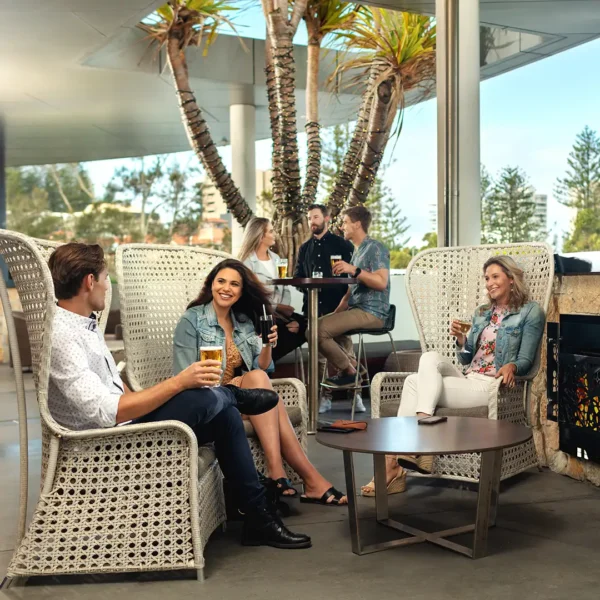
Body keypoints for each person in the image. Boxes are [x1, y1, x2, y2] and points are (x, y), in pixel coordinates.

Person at [47, 243, 311, 549]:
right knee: (207, 398)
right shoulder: (63, 336)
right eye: (106, 279)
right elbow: (106, 410)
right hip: (105, 440)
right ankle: (232, 396)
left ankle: (258, 518)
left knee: (223, 414)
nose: (108, 287)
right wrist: (177, 384)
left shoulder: (85, 326)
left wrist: (159, 396)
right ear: (89, 282)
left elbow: (117, 393)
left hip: (127, 423)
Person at [361, 255, 545, 497]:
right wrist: (461, 341)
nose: (489, 283)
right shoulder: (482, 312)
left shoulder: (530, 312)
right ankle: (417, 445)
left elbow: (526, 358)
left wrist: (512, 366)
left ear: (511, 279)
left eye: (495, 277)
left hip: (491, 385)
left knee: (413, 382)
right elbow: (467, 358)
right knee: (428, 360)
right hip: (469, 377)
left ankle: (393, 464)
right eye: (487, 278)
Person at [173, 258, 348, 506]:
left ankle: (285, 475)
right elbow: (182, 375)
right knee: (266, 395)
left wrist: (267, 345)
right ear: (211, 284)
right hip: (208, 399)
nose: (226, 288)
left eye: (234, 284)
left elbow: (264, 368)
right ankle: (302, 478)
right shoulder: (192, 320)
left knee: (259, 378)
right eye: (221, 281)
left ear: (241, 291)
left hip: (238, 396)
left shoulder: (242, 321)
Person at [317, 206, 391, 393]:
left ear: (357, 224)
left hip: (372, 312)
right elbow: (350, 293)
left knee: (315, 330)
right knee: (315, 327)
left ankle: (350, 371)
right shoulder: (358, 252)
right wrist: (334, 316)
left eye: (345, 222)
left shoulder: (375, 247)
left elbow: (381, 282)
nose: (342, 226)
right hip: (357, 309)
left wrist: (353, 270)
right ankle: (354, 367)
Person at [294, 204, 354, 413]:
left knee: (345, 347)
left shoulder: (343, 245)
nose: (312, 221)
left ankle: (354, 394)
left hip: (337, 307)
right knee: (317, 356)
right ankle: (322, 397)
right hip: (312, 307)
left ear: (327, 218)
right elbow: (297, 276)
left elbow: (353, 277)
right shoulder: (304, 248)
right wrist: (307, 286)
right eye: (310, 218)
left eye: (316, 217)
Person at [238, 217, 307, 362]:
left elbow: (284, 287)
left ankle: (266, 361)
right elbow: (250, 297)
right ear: (261, 236)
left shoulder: (276, 258)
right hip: (259, 313)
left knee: (307, 325)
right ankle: (265, 363)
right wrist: (278, 308)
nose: (274, 234)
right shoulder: (247, 263)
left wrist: (285, 314)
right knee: (276, 329)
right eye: (271, 231)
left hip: (278, 315)